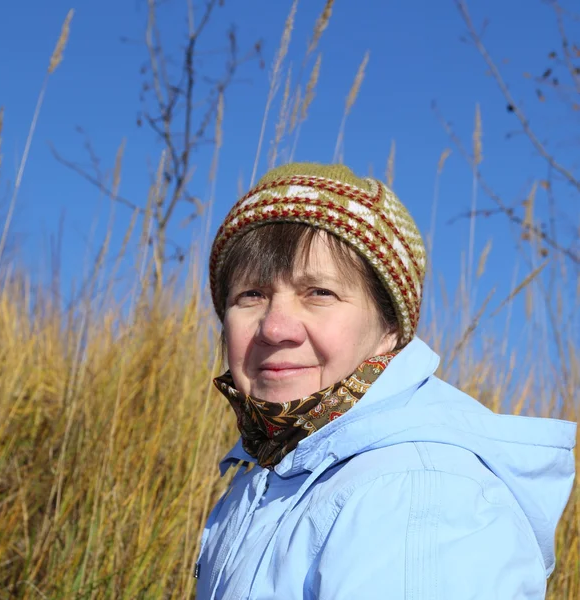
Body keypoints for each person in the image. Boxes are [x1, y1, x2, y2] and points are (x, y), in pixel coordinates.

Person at [196, 163, 576, 599]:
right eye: (251, 295)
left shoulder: (416, 495)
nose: (275, 327)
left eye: (319, 293)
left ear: (390, 328)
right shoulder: (269, 473)